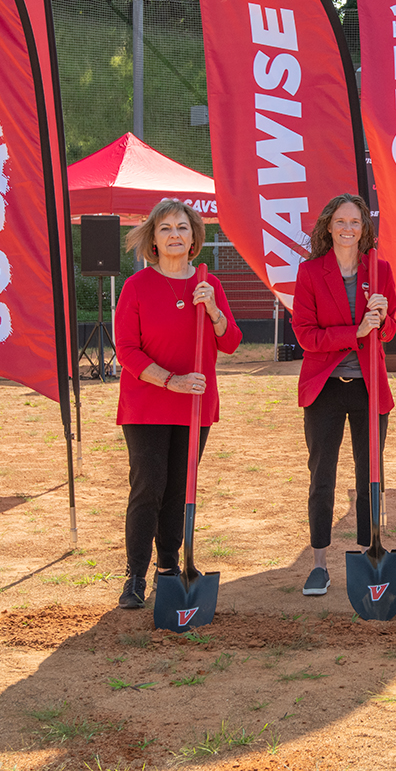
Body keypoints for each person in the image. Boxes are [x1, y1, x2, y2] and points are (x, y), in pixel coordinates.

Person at [114, 199, 243, 609]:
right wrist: (172, 381)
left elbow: (232, 342)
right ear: (153, 238)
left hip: (195, 406)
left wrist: (214, 311)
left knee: (179, 490)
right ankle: (135, 574)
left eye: (183, 228)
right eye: (166, 228)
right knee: (149, 485)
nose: (175, 235)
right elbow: (127, 352)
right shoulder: (136, 287)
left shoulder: (209, 286)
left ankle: (167, 567)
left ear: (194, 237)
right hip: (148, 403)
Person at [292, 193, 396, 597]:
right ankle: (319, 563)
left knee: (371, 472)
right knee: (322, 476)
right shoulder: (310, 272)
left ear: (364, 229)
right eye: (340, 221)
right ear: (328, 227)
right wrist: (352, 333)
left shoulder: (380, 270)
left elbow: (390, 331)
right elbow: (305, 334)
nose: (348, 229)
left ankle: (370, 551)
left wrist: (383, 319)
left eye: (355, 222)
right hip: (325, 388)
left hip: (371, 386)